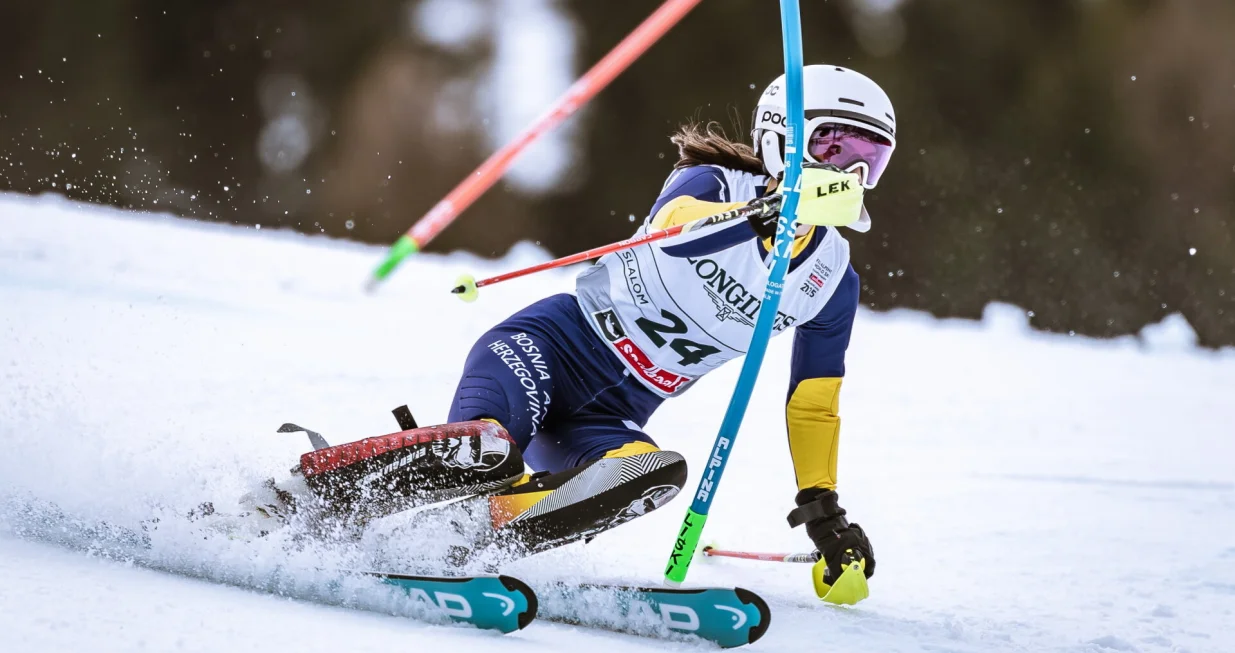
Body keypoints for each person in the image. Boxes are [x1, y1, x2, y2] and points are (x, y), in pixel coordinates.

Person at [284, 65, 895, 601]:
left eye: (871, 158)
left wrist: (824, 513)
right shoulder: (713, 184)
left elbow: (813, 404)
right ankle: (304, 500)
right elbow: (679, 230)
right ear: (781, 136)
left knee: (654, 473)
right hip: (545, 351)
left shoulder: (831, 279)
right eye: (835, 146)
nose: (853, 172)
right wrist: (763, 213)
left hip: (612, 414)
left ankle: (457, 537)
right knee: (487, 450)